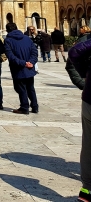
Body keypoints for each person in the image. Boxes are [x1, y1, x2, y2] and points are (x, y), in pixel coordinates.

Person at [68, 38, 91, 202]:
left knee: (88, 146)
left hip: (90, 100)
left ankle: (87, 190)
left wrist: (85, 75)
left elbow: (75, 51)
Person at [4, 22, 39, 115]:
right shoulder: (27, 38)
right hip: (29, 68)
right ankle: (35, 106)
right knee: (30, 87)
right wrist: (31, 62)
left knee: (20, 88)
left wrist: (23, 63)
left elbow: (11, 56)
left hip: (18, 68)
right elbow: (34, 52)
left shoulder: (8, 40)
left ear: (7, 30)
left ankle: (24, 107)